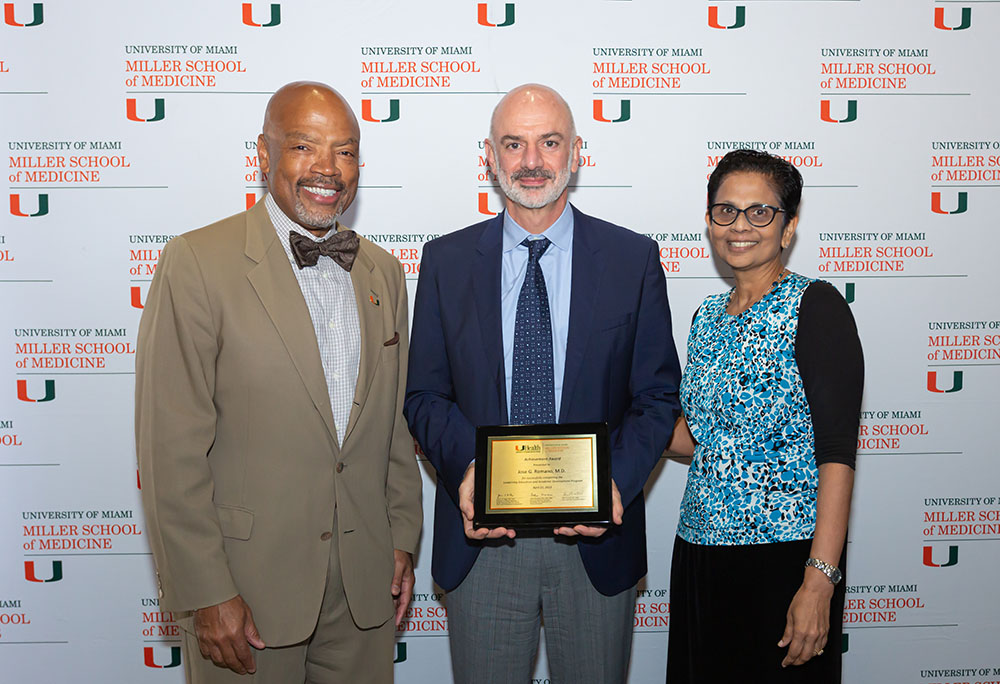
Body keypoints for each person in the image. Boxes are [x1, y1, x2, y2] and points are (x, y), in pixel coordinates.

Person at [135, 81, 421, 684]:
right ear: (263, 155)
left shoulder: (384, 273)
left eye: (344, 151)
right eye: (303, 146)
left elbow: (393, 428)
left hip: (365, 594)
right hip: (247, 594)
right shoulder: (197, 263)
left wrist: (401, 541)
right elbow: (171, 450)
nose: (327, 169)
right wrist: (205, 590)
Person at [404, 84, 681, 683]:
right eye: (514, 144)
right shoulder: (445, 262)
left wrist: (616, 484)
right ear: (490, 156)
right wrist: (466, 469)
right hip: (483, 537)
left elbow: (657, 397)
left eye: (548, 142)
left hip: (595, 539)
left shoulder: (631, 258)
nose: (532, 161)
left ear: (576, 152)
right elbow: (424, 395)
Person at [665, 149, 863, 683]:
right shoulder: (706, 316)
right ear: (709, 221)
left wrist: (819, 582)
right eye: (725, 211)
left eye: (760, 212)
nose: (740, 226)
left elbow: (837, 452)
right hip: (700, 556)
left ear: (789, 226)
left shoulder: (816, 307)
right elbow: (697, 437)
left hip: (784, 563)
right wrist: (627, 418)